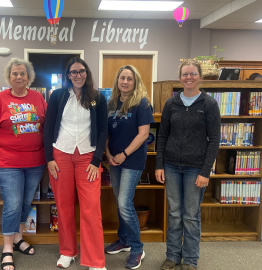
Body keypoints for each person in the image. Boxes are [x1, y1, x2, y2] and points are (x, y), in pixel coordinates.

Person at [0, 58, 46, 270]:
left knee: (26, 202)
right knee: (12, 204)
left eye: (23, 73)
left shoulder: (39, 98)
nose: (19, 77)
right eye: (15, 73)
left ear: (29, 77)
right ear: (9, 77)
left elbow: (47, 126)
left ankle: (18, 238)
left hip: (35, 161)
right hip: (7, 162)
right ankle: (7, 248)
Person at [155, 59, 221, 270]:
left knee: (190, 216)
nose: (189, 77)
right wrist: (159, 165)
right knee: (174, 213)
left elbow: (214, 141)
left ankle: (190, 260)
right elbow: (162, 136)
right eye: (185, 74)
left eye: (193, 74)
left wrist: (205, 171)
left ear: (200, 77)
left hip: (196, 168)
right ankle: (172, 256)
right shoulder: (170, 104)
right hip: (171, 166)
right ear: (180, 77)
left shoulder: (209, 104)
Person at [44, 57, 108, 270]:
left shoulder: (97, 97)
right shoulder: (58, 96)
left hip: (88, 158)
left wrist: (97, 160)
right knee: (63, 206)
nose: (78, 75)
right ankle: (68, 251)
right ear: (68, 75)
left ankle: (95, 261)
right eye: (73, 72)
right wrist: (49, 158)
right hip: (60, 155)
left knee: (91, 208)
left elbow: (102, 131)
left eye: (81, 71)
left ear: (87, 73)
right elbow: (48, 127)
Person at [104, 65, 154, 269]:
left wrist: (124, 155)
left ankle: (136, 248)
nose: (125, 82)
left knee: (125, 203)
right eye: (122, 78)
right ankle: (123, 240)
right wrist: (108, 154)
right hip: (114, 160)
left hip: (131, 161)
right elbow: (106, 132)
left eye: (129, 79)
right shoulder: (111, 103)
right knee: (120, 202)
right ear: (117, 81)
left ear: (136, 82)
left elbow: (143, 135)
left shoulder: (141, 104)